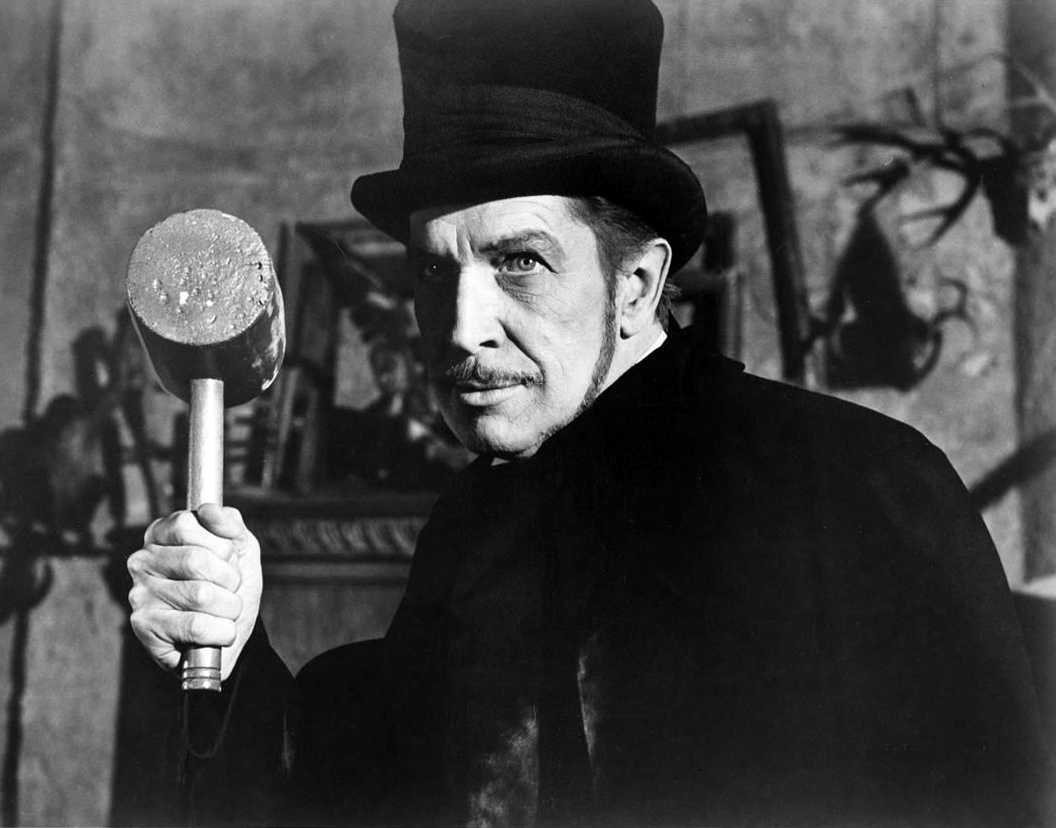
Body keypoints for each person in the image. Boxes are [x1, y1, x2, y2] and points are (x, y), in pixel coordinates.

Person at [126, 0, 1054, 825]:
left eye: (519, 262)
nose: (462, 327)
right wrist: (233, 651)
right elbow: (373, 795)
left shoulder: (857, 489)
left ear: (637, 284)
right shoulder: (476, 524)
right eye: (435, 269)